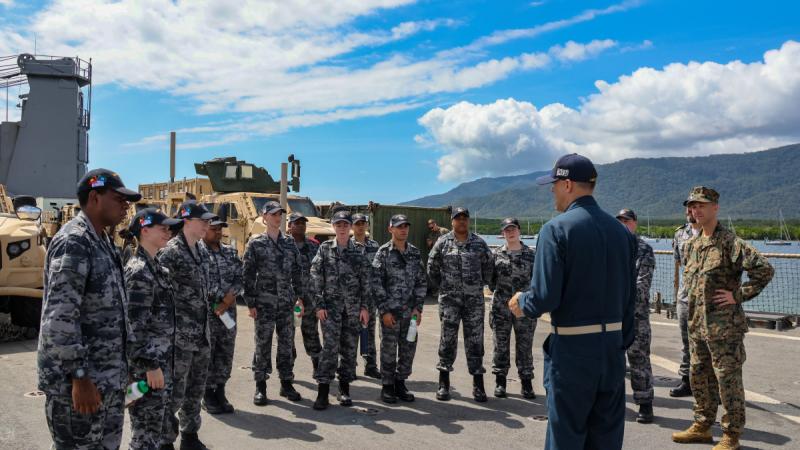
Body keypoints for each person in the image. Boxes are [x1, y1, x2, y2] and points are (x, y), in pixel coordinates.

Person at [509, 153, 636, 449]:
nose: (551, 191)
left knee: (565, 438)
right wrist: (620, 341)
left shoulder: (556, 230)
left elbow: (544, 296)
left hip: (573, 354)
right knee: (606, 440)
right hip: (612, 351)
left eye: (554, 184)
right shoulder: (622, 233)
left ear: (567, 185)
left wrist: (522, 301)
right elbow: (631, 298)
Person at [38, 169, 141, 449]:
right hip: (79, 386)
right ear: (94, 197)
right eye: (119, 198)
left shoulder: (105, 242)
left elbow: (116, 312)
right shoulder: (74, 241)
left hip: (107, 382)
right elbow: (59, 319)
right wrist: (79, 377)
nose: (126, 206)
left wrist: (125, 370)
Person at [672, 187, 774, 450]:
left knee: (727, 381)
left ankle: (732, 434)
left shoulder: (730, 243)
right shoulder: (692, 245)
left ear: (715, 208)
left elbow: (764, 270)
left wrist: (737, 295)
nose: (696, 210)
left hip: (724, 330)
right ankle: (703, 426)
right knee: (699, 377)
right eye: (693, 206)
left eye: (701, 205)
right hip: (697, 327)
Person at [158, 200, 216, 450]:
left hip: (201, 334)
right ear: (187, 221)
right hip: (178, 337)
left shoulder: (202, 250)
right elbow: (158, 296)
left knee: (196, 389)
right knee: (173, 393)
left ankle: (190, 435)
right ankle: (165, 440)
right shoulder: (170, 252)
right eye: (203, 220)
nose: (208, 225)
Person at [124, 208, 181, 449]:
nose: (169, 233)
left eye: (170, 228)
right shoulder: (139, 272)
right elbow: (134, 327)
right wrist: (151, 366)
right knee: (145, 435)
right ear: (144, 231)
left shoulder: (157, 268)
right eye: (163, 228)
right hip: (147, 370)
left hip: (161, 364)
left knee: (157, 430)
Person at [427, 207, 493, 403]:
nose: (462, 221)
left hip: (474, 302)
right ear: (452, 220)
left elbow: (489, 267)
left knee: (475, 341)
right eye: (458, 218)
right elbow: (432, 267)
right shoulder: (443, 242)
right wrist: (444, 288)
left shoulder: (479, 243)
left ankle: (478, 385)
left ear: (468, 221)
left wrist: (479, 285)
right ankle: (443, 383)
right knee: (447, 341)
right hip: (450, 301)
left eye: (465, 218)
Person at [242, 201, 305, 405]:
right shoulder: (256, 243)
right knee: (263, 344)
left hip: (286, 302)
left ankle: (286, 383)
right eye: (274, 214)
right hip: (264, 302)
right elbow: (248, 274)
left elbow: (297, 272)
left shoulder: (289, 243)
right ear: (264, 217)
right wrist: (250, 302)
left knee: (286, 344)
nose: (278, 218)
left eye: (280, 214)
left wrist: (300, 297)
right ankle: (261, 386)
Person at [310, 211, 371, 410]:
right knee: (329, 350)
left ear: (351, 227)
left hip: (352, 310)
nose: (343, 228)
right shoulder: (325, 249)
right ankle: (323, 392)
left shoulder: (359, 250)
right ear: (333, 227)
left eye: (346, 224)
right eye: (339, 224)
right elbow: (315, 278)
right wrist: (319, 305)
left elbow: (366, 281)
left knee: (349, 350)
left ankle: (344, 390)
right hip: (330, 310)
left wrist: (364, 307)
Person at [372, 214, 427, 403]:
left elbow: (421, 282)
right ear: (391, 229)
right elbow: (376, 284)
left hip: (409, 313)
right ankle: (387, 386)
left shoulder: (414, 253)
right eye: (399, 226)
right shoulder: (383, 253)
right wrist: (384, 311)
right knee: (388, 349)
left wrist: (418, 309)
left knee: (408, 349)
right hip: (391, 313)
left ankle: (400, 382)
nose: (403, 229)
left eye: (405, 226)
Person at [488, 217, 537, 399]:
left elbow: (537, 281)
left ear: (519, 231)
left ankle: (526, 383)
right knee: (500, 345)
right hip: (501, 307)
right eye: (507, 230)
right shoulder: (496, 255)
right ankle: (500, 382)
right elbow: (491, 281)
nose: (510, 232)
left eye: (513, 229)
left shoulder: (531, 255)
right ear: (502, 233)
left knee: (525, 346)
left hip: (525, 308)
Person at [615, 208, 656, 424]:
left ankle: (645, 404)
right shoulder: (610, 248)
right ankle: (614, 404)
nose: (623, 224)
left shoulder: (644, 250)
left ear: (635, 223)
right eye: (619, 220)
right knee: (613, 363)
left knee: (639, 360)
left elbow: (642, 286)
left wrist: (615, 294)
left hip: (636, 316)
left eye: (627, 220)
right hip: (613, 318)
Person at [199, 219, 243, 414]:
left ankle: (220, 391)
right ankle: (207, 394)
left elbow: (240, 278)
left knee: (225, 353)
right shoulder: (197, 253)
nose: (217, 233)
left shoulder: (230, 252)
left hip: (227, 313)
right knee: (208, 354)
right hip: (208, 313)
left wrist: (227, 300)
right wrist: (219, 298)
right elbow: (201, 280)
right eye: (213, 229)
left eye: (220, 229)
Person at [670, 205, 700, 398]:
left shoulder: (715, 233)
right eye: (688, 208)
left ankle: (714, 387)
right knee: (686, 342)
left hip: (707, 300)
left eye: (694, 207)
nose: (689, 211)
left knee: (709, 345)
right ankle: (686, 381)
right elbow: (679, 262)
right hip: (685, 297)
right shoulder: (680, 234)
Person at [287, 212, 322, 372]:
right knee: (288, 337)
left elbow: (321, 272)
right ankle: (288, 371)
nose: (300, 225)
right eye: (296, 222)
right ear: (289, 226)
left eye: (303, 222)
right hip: (288, 300)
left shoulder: (314, 246)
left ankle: (317, 366)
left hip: (309, 301)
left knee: (311, 334)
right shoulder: (283, 245)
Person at [352, 212, 381, 379]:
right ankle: (349, 366)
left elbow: (377, 271)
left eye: (363, 223)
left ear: (367, 226)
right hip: (353, 298)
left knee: (369, 331)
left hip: (370, 298)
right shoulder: (347, 245)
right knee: (351, 333)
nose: (360, 226)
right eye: (357, 223)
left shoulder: (374, 246)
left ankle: (371, 365)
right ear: (352, 226)